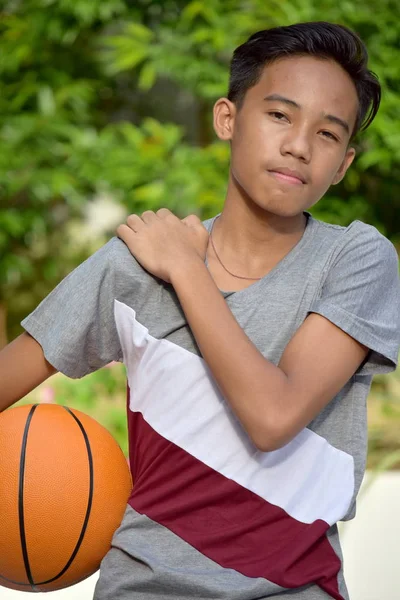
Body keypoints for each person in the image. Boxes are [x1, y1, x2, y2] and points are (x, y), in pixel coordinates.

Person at [1, 20, 399, 600]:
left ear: (342, 164)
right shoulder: (133, 265)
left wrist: (187, 271)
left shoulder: (355, 259)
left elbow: (273, 416)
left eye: (328, 134)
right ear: (228, 119)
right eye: (280, 115)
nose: (298, 145)